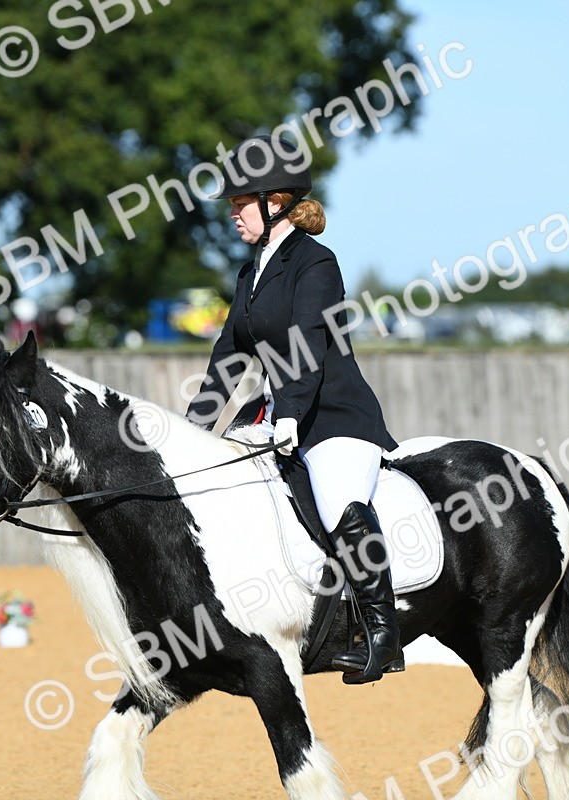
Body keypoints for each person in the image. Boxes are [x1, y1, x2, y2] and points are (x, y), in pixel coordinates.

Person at [186, 135, 403, 684]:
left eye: (241, 204)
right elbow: (230, 354)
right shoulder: (251, 270)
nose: (233, 214)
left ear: (274, 203)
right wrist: (193, 428)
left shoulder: (317, 263)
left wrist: (287, 414)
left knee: (339, 505)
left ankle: (382, 634)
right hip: (277, 412)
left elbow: (307, 343)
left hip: (332, 416)